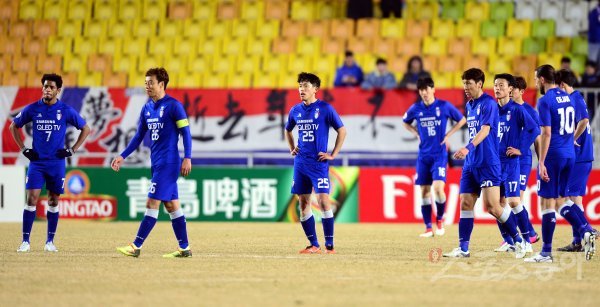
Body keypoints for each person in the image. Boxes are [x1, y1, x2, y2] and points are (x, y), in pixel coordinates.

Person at [443, 68, 526, 259]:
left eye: (469, 84)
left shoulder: (488, 103)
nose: (465, 87)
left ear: (479, 84)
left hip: (488, 163)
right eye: (464, 83)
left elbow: (486, 130)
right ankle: (463, 248)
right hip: (471, 165)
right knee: (465, 203)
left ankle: (518, 241)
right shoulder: (470, 105)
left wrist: (467, 148)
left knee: (493, 207)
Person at [113, 67, 193, 258]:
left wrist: (187, 157)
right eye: (145, 82)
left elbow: (186, 133)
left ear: (161, 84)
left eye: (151, 82)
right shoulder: (147, 108)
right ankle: (184, 248)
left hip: (169, 162)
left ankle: (136, 246)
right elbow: (139, 136)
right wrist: (122, 155)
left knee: (152, 202)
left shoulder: (174, 106)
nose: (147, 86)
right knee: (172, 206)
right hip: (156, 162)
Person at [10, 73, 90, 253]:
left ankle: (49, 242)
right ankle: (25, 242)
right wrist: (24, 149)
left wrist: (72, 150)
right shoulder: (33, 108)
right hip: (37, 163)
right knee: (31, 199)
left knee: (53, 201)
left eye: (51, 87)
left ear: (58, 90)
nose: (47, 89)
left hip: (56, 163)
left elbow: (86, 128)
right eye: (45, 86)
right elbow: (13, 126)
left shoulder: (65, 110)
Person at [524, 65, 595, 263]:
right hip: (570, 155)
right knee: (562, 200)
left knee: (547, 202)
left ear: (544, 79)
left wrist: (542, 161)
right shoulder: (568, 98)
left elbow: (546, 133)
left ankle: (546, 252)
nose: (536, 82)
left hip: (553, 155)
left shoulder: (545, 100)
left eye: (536, 78)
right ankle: (586, 229)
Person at [285, 72, 347, 254]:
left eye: (305, 86)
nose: (301, 89)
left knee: (323, 202)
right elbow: (288, 130)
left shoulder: (326, 109)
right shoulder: (295, 110)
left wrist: (333, 154)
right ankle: (314, 245)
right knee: (303, 204)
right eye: (299, 86)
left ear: (315, 89)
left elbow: (342, 131)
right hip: (300, 163)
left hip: (319, 164)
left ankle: (330, 246)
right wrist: (292, 147)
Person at [402, 77, 466, 237]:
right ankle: (428, 227)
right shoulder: (416, 108)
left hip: (439, 155)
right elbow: (405, 122)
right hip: (423, 156)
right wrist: (415, 132)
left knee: (438, 189)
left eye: (426, 89)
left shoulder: (443, 106)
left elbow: (462, 119)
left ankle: (439, 219)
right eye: (421, 90)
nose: (424, 92)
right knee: (424, 192)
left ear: (433, 89)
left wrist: (448, 134)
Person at [491, 74, 539, 255]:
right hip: (495, 164)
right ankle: (509, 240)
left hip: (511, 163)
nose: (497, 88)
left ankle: (528, 240)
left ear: (510, 89)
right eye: (495, 85)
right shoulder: (492, 110)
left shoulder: (518, 110)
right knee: (497, 205)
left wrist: (521, 148)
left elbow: (535, 129)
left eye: (501, 85)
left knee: (513, 201)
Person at [555, 69, 596, 255]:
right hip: (580, 157)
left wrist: (572, 138)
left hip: (580, 157)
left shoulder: (575, 98)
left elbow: (584, 119)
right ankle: (578, 241)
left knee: (567, 198)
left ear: (562, 84)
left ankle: (587, 228)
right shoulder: (574, 99)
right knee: (575, 198)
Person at [511, 76, 540, 244]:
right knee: (512, 199)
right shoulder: (508, 109)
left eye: (513, 89)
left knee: (516, 199)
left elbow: (536, 138)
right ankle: (530, 233)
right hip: (507, 160)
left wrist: (541, 161)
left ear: (521, 91)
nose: (510, 91)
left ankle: (521, 237)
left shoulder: (530, 111)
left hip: (523, 160)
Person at [588, 3, 600, 69]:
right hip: (594, 42)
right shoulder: (593, 12)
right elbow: (592, 27)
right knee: (592, 63)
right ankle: (592, 78)